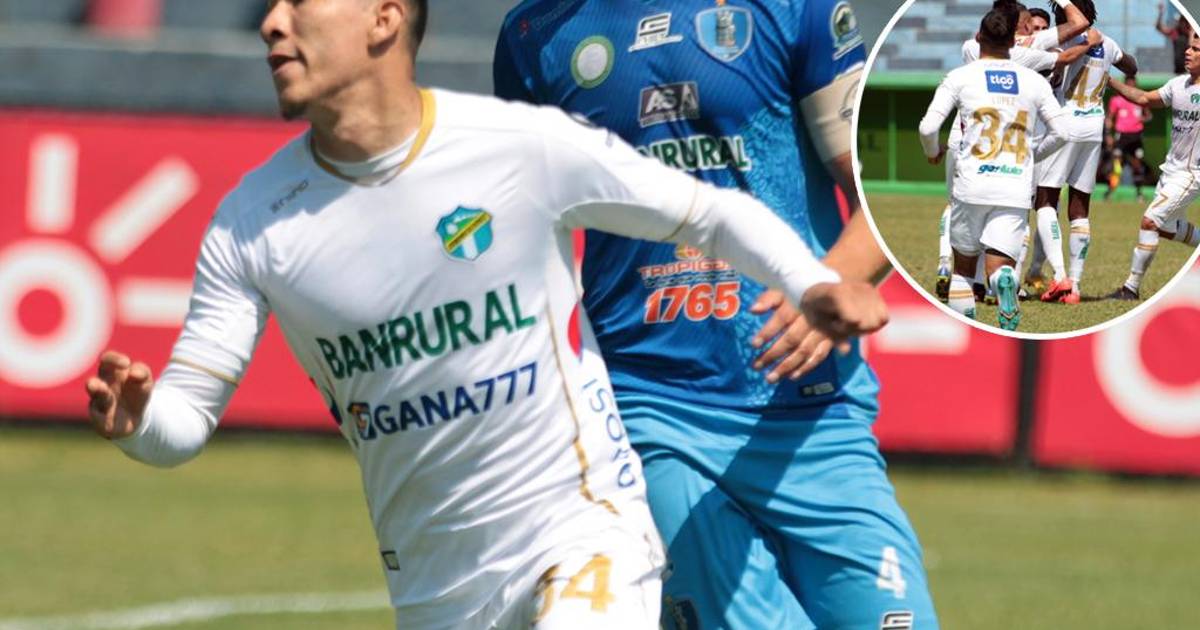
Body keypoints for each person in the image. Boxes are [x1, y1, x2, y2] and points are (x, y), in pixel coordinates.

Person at [81, 1, 890, 629]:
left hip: (586, 535)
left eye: (301, 2)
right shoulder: (250, 223)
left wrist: (812, 283)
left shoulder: (520, 145)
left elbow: (709, 214)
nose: (272, 22)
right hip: (438, 588)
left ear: (384, 20)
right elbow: (184, 422)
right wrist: (141, 421)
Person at [495, 1, 935, 628]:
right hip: (650, 412)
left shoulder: (795, 8)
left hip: (817, 418)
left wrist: (827, 284)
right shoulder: (532, 35)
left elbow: (894, 186)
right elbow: (521, 240)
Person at [920, 7, 1074, 329]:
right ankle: (1004, 279)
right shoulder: (1034, 81)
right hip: (1014, 187)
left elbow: (928, 127)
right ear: (1013, 42)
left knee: (964, 271)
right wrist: (1033, 154)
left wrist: (933, 152)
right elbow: (1062, 132)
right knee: (999, 266)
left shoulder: (960, 76)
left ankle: (970, 328)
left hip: (972, 184)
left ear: (979, 38)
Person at [1033, 0, 1138, 304]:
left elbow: (1051, 72)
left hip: (1064, 123)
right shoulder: (1107, 42)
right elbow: (1132, 66)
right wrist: (1110, 67)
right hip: (1093, 128)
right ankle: (1075, 287)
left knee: (1045, 200)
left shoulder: (1063, 42)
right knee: (1080, 207)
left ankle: (1059, 276)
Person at [1107, 31, 1200, 301]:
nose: (1187, 52)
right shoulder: (1178, 84)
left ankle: (1130, 288)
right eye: (1189, 47)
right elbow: (1144, 98)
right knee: (1166, 228)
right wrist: (1110, 81)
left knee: (1150, 221)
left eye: (1195, 49)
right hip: (1170, 170)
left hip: (1191, 175)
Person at [1105, 75, 1154, 202]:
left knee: (1137, 165)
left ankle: (1139, 194)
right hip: (1122, 136)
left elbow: (1149, 116)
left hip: (1136, 135)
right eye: (1129, 84)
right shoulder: (1116, 100)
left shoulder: (1140, 99)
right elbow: (1109, 118)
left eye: (1133, 84)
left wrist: (1143, 118)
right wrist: (1108, 135)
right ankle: (1109, 193)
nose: (1131, 87)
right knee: (1117, 165)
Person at [1157, 2, 1194, 74]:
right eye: (1181, 21)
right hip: (1179, 68)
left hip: (1191, 68)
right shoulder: (1176, 32)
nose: (1182, 24)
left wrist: (1191, 31)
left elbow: (1191, 44)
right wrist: (1160, 13)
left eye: (1184, 22)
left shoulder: (1193, 34)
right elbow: (1159, 28)